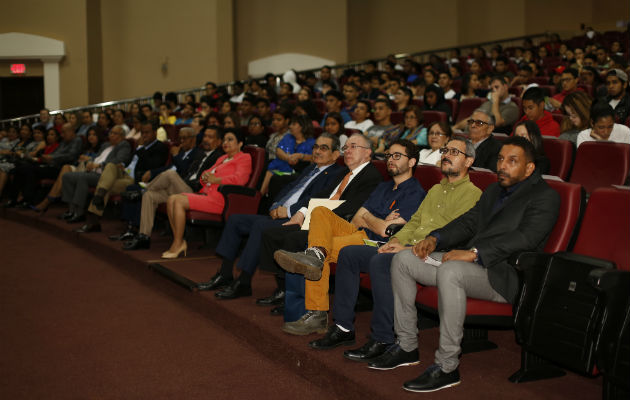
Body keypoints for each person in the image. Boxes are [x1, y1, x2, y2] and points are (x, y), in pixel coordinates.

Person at [384, 136, 560, 393]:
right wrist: (435, 238)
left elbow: (525, 238)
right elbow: (468, 222)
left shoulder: (545, 197)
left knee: (451, 270)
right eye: (500, 159)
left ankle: (446, 366)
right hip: (472, 268)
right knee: (403, 259)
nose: (503, 166)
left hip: (504, 275)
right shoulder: (493, 191)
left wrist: (476, 253)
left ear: (529, 168)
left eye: (512, 161)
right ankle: (406, 346)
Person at [298, 137, 481, 357]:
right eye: (445, 150)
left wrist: (402, 247)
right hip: (404, 246)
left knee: (379, 261)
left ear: (469, 161)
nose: (446, 155)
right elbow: (413, 223)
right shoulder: (434, 190)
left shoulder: (473, 194)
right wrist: (395, 242)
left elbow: (453, 235)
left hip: (431, 253)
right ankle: (343, 327)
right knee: (349, 254)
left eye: (454, 152)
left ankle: (382, 338)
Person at [273, 139, 424, 336]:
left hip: (374, 243)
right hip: (356, 232)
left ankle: (317, 313)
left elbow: (385, 231)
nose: (390, 160)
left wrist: (369, 218)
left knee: (317, 252)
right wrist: (375, 219)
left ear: (412, 162)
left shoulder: (415, 193)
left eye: (397, 156)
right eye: (388, 155)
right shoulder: (383, 187)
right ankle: (315, 256)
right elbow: (356, 219)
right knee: (320, 211)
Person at [214, 133, 382, 301]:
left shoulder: (368, 176)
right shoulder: (341, 173)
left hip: (334, 225)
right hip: (310, 217)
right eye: (346, 147)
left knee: (285, 236)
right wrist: (296, 210)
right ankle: (276, 287)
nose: (348, 151)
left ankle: (286, 294)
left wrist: (299, 213)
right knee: (253, 226)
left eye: (353, 147)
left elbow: (351, 207)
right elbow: (312, 194)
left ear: (368, 152)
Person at [196, 134, 344, 298]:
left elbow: (317, 199)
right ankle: (224, 274)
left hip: (299, 220)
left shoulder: (337, 174)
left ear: (336, 154)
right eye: (315, 147)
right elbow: (288, 190)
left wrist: (288, 211)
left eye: (323, 148)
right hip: (280, 214)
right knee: (236, 220)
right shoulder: (310, 169)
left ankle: (243, 282)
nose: (317, 151)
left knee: (260, 227)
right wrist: (275, 207)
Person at [121, 126, 225, 250]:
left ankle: (142, 190)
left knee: (170, 174)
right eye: (205, 136)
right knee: (150, 196)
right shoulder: (201, 154)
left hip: (196, 193)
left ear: (219, 141)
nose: (206, 139)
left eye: (211, 137)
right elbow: (186, 172)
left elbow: (202, 181)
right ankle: (144, 237)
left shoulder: (218, 157)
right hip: (184, 188)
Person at [162, 130, 251, 258]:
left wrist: (216, 180)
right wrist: (205, 177)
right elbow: (205, 174)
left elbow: (240, 180)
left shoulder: (244, 158)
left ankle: (177, 243)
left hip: (222, 199)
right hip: (207, 195)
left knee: (179, 201)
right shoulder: (222, 158)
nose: (226, 143)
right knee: (171, 199)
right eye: (225, 140)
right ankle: (179, 242)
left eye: (230, 139)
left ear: (240, 143)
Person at [73, 120, 169, 233]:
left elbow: (152, 165)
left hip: (136, 179)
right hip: (124, 173)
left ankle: (94, 218)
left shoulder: (160, 147)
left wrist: (142, 148)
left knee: (104, 186)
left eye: (147, 132)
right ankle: (100, 197)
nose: (144, 135)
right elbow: (129, 162)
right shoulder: (140, 147)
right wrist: (123, 165)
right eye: (142, 133)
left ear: (155, 133)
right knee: (110, 166)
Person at [59, 126, 133, 224]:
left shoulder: (124, 145)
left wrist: (99, 165)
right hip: (93, 171)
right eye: (110, 133)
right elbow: (97, 157)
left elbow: (118, 161)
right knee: (67, 176)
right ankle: (71, 210)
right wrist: (89, 163)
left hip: (105, 175)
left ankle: (79, 213)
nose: (111, 135)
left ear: (122, 136)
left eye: (115, 133)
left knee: (82, 178)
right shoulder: (106, 145)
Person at [5, 123, 83, 208]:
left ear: (71, 131)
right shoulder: (64, 142)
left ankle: (28, 200)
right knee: (20, 168)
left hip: (61, 168)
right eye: (61, 132)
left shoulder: (77, 140)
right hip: (50, 164)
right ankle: (13, 198)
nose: (62, 135)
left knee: (31, 170)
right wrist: (46, 158)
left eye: (64, 132)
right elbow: (54, 153)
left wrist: (51, 157)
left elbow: (71, 156)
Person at [259, 115, 315, 195]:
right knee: (267, 171)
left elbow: (313, 158)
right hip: (280, 164)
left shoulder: (312, 142)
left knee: (273, 176)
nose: (290, 126)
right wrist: (288, 158)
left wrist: (300, 156)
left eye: (293, 124)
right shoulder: (288, 137)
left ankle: (260, 198)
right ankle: (260, 197)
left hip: (297, 170)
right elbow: (278, 151)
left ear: (302, 126)